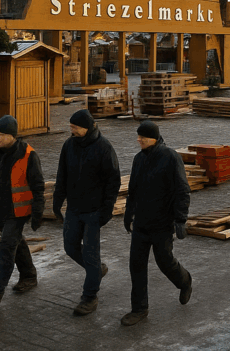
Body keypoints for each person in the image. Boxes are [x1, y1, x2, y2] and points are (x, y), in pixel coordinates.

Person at [121, 119, 192, 326]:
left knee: (165, 262)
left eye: (142, 136)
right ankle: (139, 309)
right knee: (136, 265)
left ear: (153, 138)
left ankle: (185, 281)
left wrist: (180, 219)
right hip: (141, 224)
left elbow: (182, 190)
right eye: (138, 136)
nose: (138, 139)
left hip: (162, 223)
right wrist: (128, 215)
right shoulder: (138, 159)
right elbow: (132, 190)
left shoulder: (170, 157)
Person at [0, 115, 45, 309]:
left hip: (18, 212)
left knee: (6, 249)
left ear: (12, 135)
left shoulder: (28, 155)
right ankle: (29, 275)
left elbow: (38, 187)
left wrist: (37, 213)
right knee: (15, 242)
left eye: (1, 135)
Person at [53, 109, 121, 316]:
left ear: (87, 127)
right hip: (74, 208)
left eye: (75, 127)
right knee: (70, 246)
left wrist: (106, 211)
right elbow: (61, 175)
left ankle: (89, 297)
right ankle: (97, 271)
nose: (71, 130)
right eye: (71, 127)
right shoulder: (69, 145)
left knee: (90, 255)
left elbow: (113, 181)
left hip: (94, 211)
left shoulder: (104, 147)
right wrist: (57, 202)